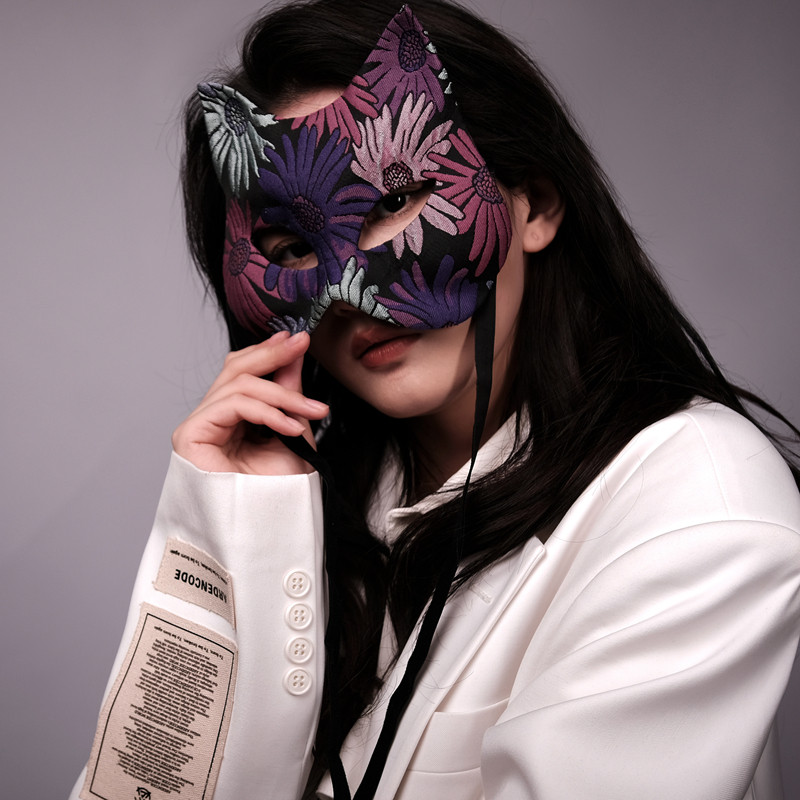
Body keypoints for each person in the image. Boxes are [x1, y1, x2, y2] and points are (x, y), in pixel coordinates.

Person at [70, 1, 800, 798]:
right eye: (292, 248)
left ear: (535, 204)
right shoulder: (334, 503)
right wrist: (230, 527)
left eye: (393, 201)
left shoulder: (699, 503)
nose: (349, 290)